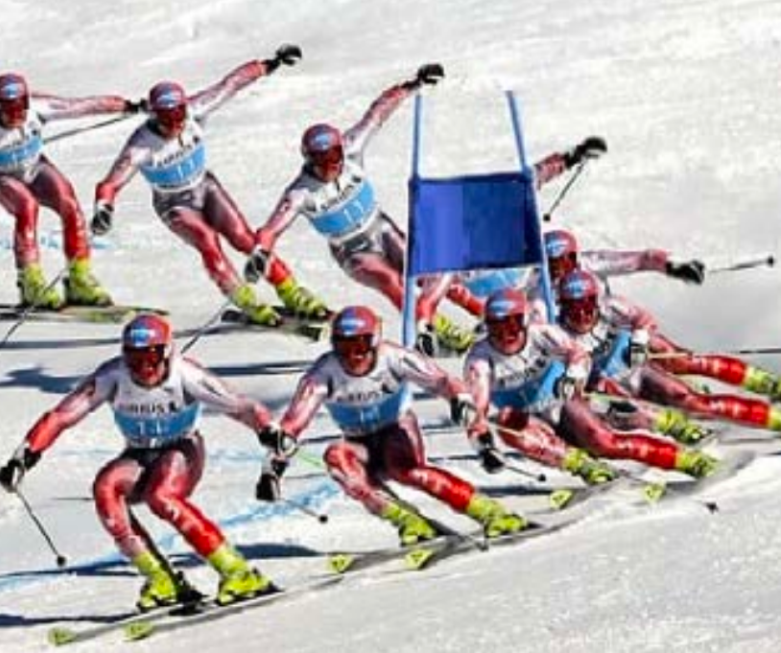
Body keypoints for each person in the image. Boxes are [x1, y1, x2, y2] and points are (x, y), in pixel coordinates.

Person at [245, 66, 606, 355]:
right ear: (309, 161)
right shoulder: (300, 192)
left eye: (335, 157)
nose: (332, 166)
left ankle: (483, 317)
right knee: (392, 281)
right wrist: (261, 252)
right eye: (323, 161)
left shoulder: (352, 148)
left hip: (381, 228)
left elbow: (378, 112)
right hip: (351, 249)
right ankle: (438, 330)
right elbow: (273, 227)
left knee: (432, 272)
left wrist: (412, 85)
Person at [0, 313, 278, 610]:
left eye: (152, 356)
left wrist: (268, 430)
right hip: (140, 454)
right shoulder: (112, 376)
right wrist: (23, 458)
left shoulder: (186, 374)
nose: (144, 367)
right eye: (134, 358)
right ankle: (161, 579)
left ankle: (238, 572)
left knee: (161, 496)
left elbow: (241, 406)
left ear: (167, 352)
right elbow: (62, 416)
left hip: (183, 450)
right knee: (105, 487)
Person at [91, 45, 327, 326]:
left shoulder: (196, 109)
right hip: (173, 203)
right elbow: (110, 183)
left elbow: (231, 84)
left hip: (205, 186)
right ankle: (246, 301)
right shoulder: (140, 146)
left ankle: (292, 292)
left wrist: (269, 64)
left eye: (179, 116)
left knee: (245, 239)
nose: (175, 125)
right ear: (154, 116)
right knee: (207, 240)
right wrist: (104, 208)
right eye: (167, 120)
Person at [258, 305, 527, 541]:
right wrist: (271, 472)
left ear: (375, 341)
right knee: (336, 458)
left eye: (360, 345)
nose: (353, 355)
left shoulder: (393, 357)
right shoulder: (322, 374)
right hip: (359, 444)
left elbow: (442, 381)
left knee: (405, 471)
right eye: (343, 347)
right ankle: (408, 522)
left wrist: (459, 400)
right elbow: (292, 425)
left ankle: (490, 512)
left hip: (396, 430)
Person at [462, 288, 719, 486]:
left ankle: (684, 458)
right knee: (506, 423)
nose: (506, 334)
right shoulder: (479, 360)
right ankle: (583, 467)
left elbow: (578, 355)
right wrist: (485, 448)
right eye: (497, 326)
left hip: (563, 401)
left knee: (604, 442)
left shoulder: (542, 334)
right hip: (530, 419)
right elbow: (477, 412)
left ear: (524, 321)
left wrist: (572, 377)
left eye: (512, 324)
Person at [0, 72, 140, 309]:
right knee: (27, 206)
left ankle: (79, 278)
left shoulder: (37, 107)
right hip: (2, 177)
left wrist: (126, 106)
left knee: (68, 202)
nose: (17, 116)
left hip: (35, 168)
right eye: (9, 111)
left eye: (21, 108)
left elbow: (80, 106)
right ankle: (30, 281)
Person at [540, 228, 781, 402]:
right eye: (553, 264)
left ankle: (766, 383)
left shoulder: (591, 263)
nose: (560, 270)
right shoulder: (538, 289)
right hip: (585, 356)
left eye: (566, 261)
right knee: (626, 394)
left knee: (680, 360)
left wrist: (672, 265)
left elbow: (643, 259)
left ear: (575, 256)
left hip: (616, 334)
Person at [557, 269, 781, 436]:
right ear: (563, 307)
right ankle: (680, 434)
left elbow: (643, 319)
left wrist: (639, 341)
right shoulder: (557, 334)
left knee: (693, 401)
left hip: (640, 371)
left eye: (587, 306)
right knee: (628, 411)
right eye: (573, 310)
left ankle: (768, 400)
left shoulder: (611, 307)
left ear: (596, 300)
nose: (582, 316)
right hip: (611, 392)